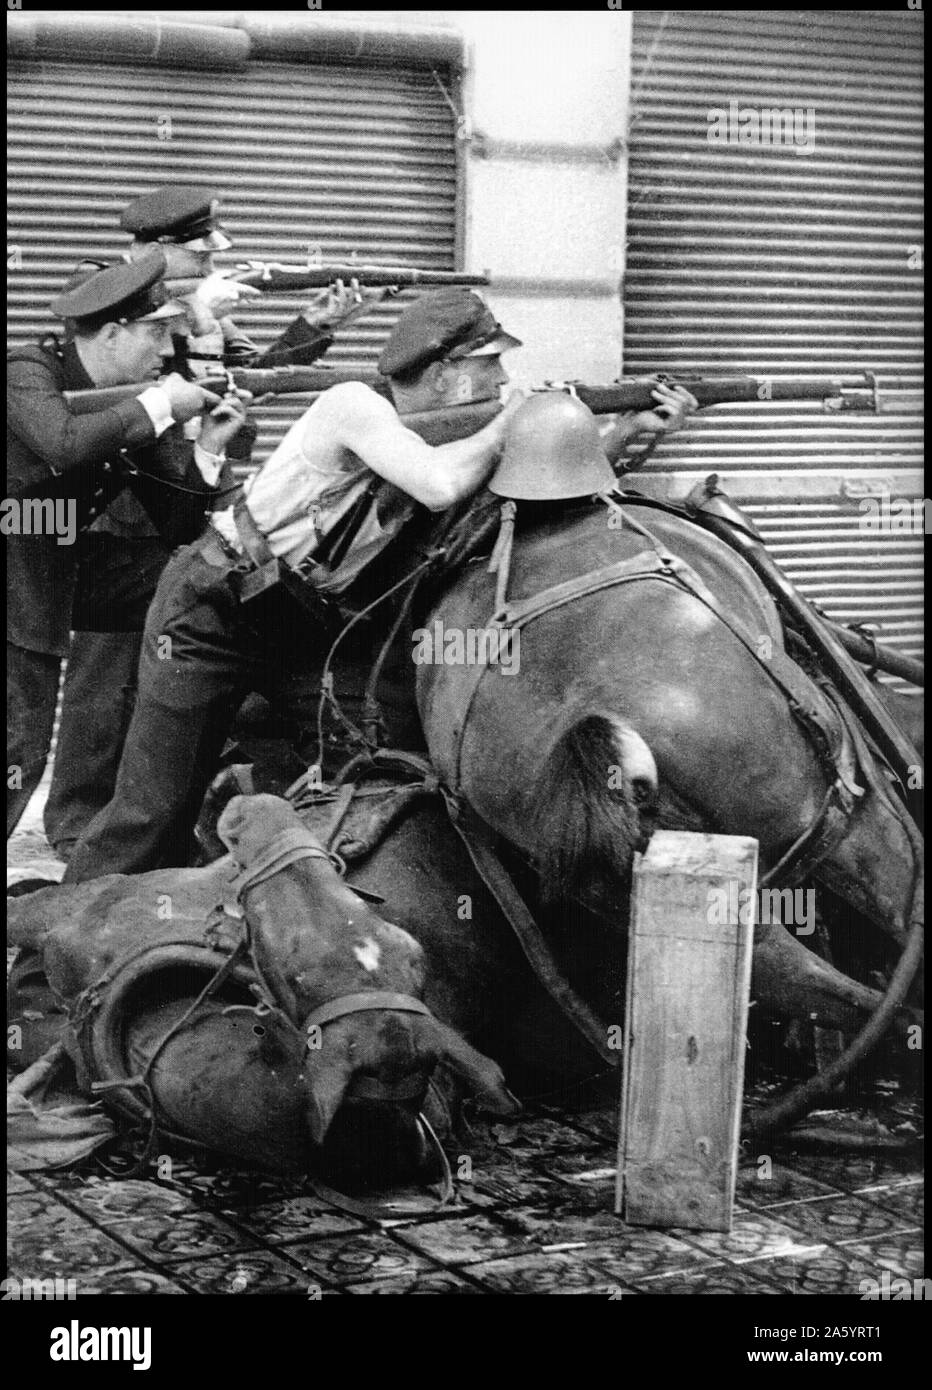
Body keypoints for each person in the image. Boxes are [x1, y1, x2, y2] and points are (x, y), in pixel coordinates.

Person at [63, 288, 527, 878]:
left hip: (298, 617)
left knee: (377, 748)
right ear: (446, 375)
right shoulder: (352, 404)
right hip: (213, 605)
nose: (504, 379)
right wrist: (511, 422)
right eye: (490, 365)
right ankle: (45, 963)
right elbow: (439, 485)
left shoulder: (438, 437)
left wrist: (631, 429)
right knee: (152, 810)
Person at [42, 185, 373, 858]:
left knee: (167, 670)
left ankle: (148, 822)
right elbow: (113, 396)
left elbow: (245, 378)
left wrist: (313, 326)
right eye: (196, 254)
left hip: (188, 497)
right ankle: (77, 825)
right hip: (120, 512)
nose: (209, 265)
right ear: (157, 251)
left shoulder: (202, 307)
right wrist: (194, 317)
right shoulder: (103, 289)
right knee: (104, 679)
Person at [6, 250, 248, 839]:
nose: (168, 354)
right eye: (158, 336)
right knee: (18, 744)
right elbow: (61, 444)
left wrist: (208, 451)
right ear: (114, 333)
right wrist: (161, 404)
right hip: (16, 571)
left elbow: (176, 525)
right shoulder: (27, 371)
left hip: (54, 564)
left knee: (191, 583)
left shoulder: (130, 396)